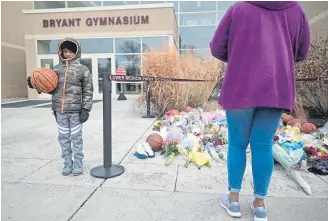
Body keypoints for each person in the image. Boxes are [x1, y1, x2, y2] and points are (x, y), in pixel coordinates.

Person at [210, 1, 310, 221]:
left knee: (237, 144)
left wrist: (241, 56)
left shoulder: (239, 9)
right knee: (263, 145)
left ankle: (233, 201)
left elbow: (217, 47)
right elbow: (302, 52)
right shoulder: (297, 11)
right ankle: (260, 205)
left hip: (240, 85)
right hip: (276, 87)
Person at [27, 38, 94, 176]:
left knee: (76, 138)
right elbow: (51, 88)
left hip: (75, 111)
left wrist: (86, 109)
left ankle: (78, 164)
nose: (67, 54)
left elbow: (88, 90)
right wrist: (35, 84)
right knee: (63, 138)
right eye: (65, 51)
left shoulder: (83, 70)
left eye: (70, 51)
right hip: (59, 111)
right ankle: (67, 164)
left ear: (76, 52)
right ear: (61, 52)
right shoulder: (56, 70)